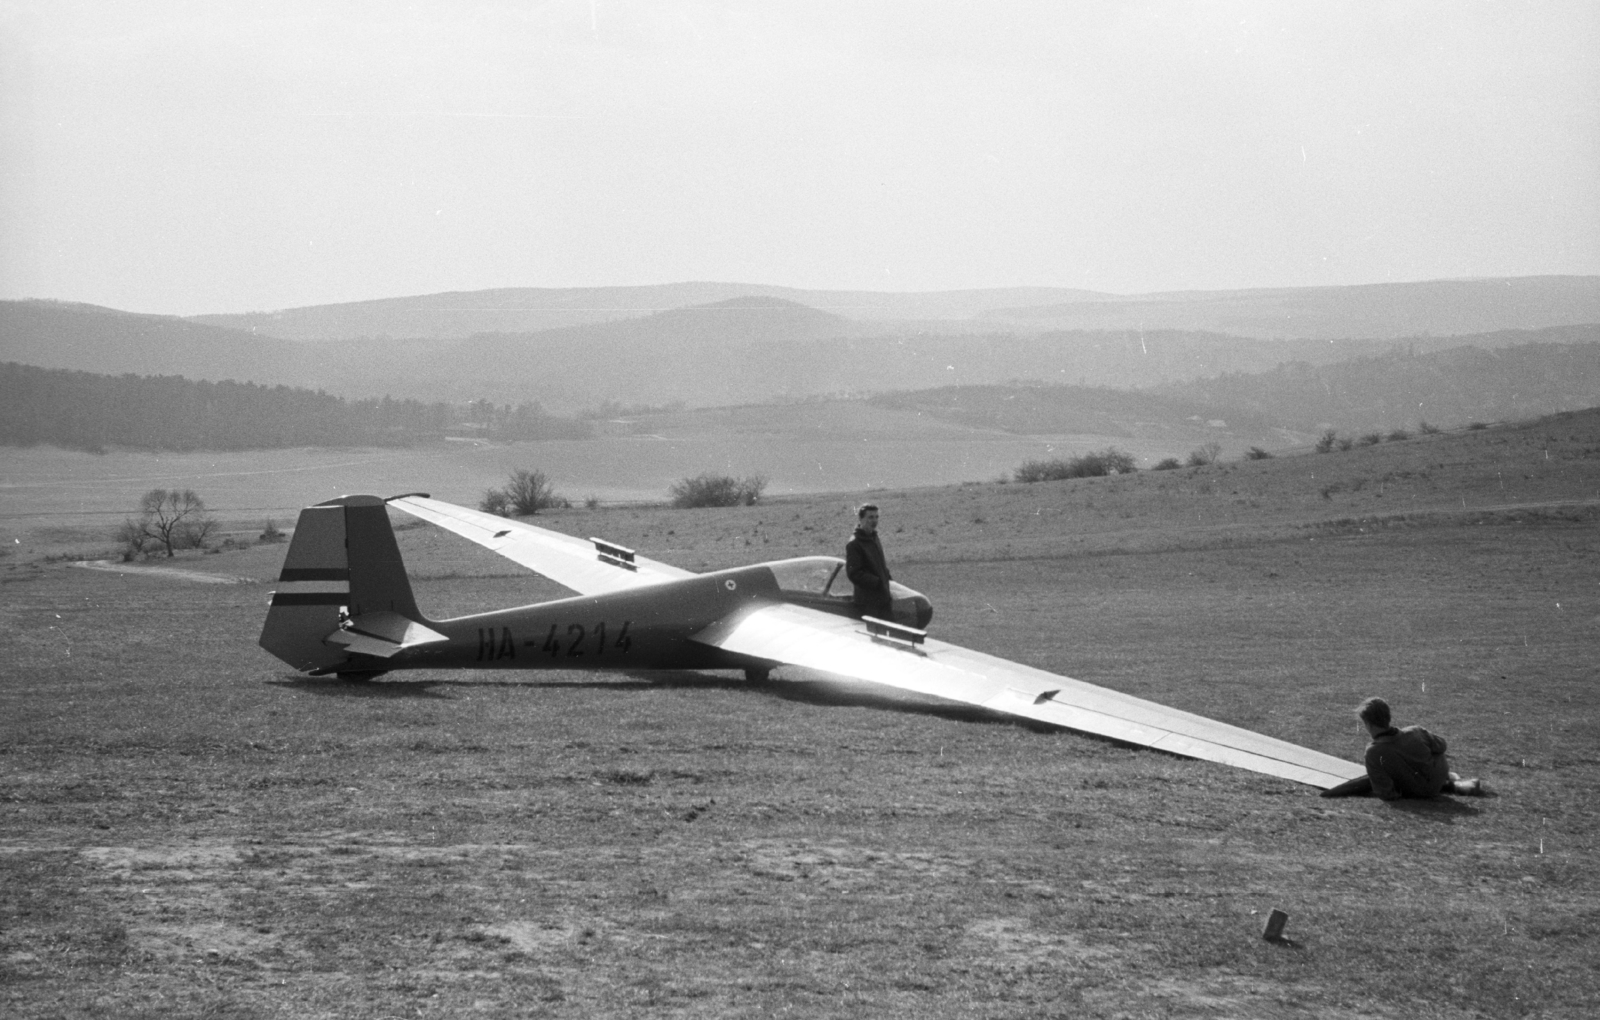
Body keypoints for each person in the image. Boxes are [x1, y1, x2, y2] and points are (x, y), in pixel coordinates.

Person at [1357, 697, 1490, 799]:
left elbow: (1385, 793)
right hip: (1438, 776)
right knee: (1432, 748)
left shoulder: (1373, 752)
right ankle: (1449, 782)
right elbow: (1442, 745)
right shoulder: (1415, 732)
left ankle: (1449, 783)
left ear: (1368, 724)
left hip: (1415, 790)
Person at [845, 503, 894, 620]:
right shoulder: (854, 544)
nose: (874, 521)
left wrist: (888, 579)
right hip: (868, 603)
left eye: (877, 517)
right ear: (861, 519)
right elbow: (854, 573)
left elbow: (880, 565)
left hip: (883, 599)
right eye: (870, 517)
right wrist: (877, 583)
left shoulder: (874, 538)